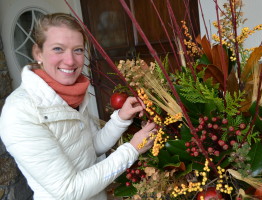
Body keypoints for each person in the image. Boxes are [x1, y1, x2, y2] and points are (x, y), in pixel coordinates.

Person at [0, 13, 156, 200]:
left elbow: (91, 150)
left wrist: (120, 119)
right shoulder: (20, 112)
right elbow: (69, 191)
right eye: (58, 49)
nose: (71, 61)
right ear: (38, 53)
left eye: (78, 50)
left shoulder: (72, 94)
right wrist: (132, 150)